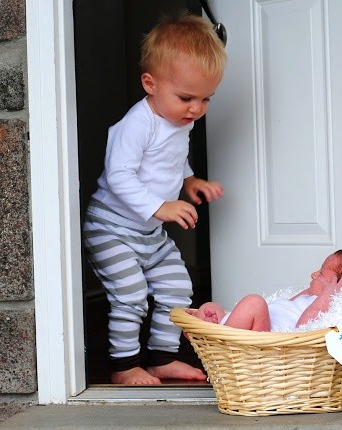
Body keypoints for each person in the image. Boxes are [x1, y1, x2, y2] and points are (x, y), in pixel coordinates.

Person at [82, 14, 227, 385]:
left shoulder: (179, 120)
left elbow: (171, 158)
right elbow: (119, 175)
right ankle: (123, 366)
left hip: (148, 233)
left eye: (206, 99)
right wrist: (161, 207)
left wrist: (190, 180)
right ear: (150, 84)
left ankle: (162, 359)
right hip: (111, 228)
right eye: (186, 98)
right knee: (130, 295)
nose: (196, 109)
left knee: (177, 288)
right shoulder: (137, 124)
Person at [191, 248, 342, 332]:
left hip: (261, 341)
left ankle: (215, 338)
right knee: (210, 307)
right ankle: (207, 332)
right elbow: (286, 304)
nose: (313, 274)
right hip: (243, 328)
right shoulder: (308, 297)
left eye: (321, 273)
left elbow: (305, 329)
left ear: (339, 287)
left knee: (254, 302)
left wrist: (325, 297)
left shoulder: (326, 308)